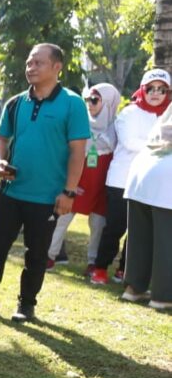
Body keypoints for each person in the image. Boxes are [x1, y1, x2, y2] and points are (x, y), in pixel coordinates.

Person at [0, 43, 89, 322]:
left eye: (38, 63)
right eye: (29, 63)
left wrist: (68, 192)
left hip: (47, 197)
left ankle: (26, 305)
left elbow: (78, 151)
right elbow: (1, 140)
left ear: (57, 67)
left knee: (36, 254)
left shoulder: (73, 104)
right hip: (11, 192)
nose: (31, 68)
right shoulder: (16, 102)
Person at [91, 69, 170, 285]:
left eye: (161, 89)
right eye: (151, 88)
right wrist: (164, 146)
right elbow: (130, 142)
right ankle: (99, 268)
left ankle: (124, 270)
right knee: (115, 227)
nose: (156, 93)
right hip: (122, 180)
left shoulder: (168, 115)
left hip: (151, 184)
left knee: (139, 231)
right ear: (142, 90)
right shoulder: (129, 113)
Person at [46, 83, 121, 272]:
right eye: (88, 99)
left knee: (98, 224)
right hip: (77, 181)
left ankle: (93, 261)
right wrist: (70, 182)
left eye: (95, 100)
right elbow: (68, 153)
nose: (90, 104)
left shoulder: (119, 128)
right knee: (62, 217)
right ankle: (49, 255)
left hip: (101, 186)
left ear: (109, 103)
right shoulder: (80, 122)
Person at [121, 109, 172, 310]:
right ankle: (163, 296)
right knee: (166, 241)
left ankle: (133, 288)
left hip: (142, 172)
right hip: (165, 177)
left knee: (140, 238)